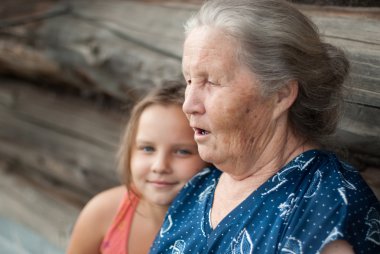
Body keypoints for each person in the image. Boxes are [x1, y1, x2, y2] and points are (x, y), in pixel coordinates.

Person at [150, 0, 380, 253]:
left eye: (212, 82)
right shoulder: (198, 186)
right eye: (189, 80)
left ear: (280, 95)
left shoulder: (328, 204)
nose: (188, 104)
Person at [66, 82, 209, 254]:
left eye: (182, 151)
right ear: (130, 151)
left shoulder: (218, 228)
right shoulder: (102, 213)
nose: (160, 166)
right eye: (147, 148)